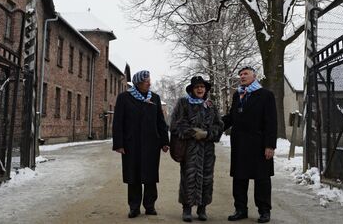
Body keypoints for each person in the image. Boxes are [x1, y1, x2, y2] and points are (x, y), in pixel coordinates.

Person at [222, 67, 277, 223]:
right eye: (240, 74)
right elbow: (231, 117)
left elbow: (271, 122)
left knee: (262, 179)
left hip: (259, 144)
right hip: (239, 144)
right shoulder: (238, 95)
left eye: (245, 74)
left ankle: (264, 211)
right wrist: (216, 124)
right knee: (239, 178)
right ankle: (240, 209)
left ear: (254, 76)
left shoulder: (266, 95)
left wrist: (270, 146)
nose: (242, 76)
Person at [112, 70, 170, 219]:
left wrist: (164, 142)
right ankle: (134, 207)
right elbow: (118, 122)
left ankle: (150, 206)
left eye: (149, 81)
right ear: (138, 83)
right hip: (131, 144)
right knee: (133, 176)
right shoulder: (124, 98)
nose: (149, 83)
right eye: (146, 81)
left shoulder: (155, 98)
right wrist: (119, 143)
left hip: (151, 145)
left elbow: (161, 123)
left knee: (151, 176)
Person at [170, 76, 224, 222]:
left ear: (205, 89)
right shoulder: (183, 103)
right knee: (188, 177)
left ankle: (202, 208)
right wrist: (193, 132)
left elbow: (219, 126)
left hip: (207, 150)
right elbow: (175, 124)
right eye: (196, 87)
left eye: (202, 87)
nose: (200, 89)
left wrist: (207, 134)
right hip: (189, 149)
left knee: (207, 178)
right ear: (192, 90)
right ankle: (186, 208)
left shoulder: (211, 105)